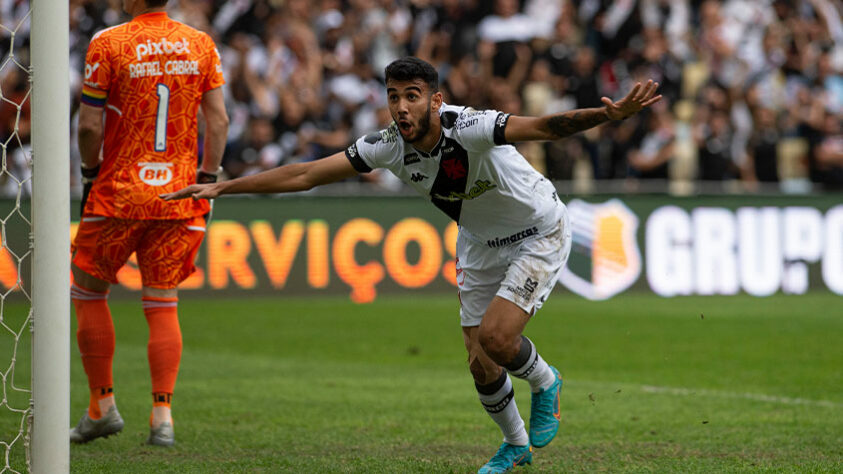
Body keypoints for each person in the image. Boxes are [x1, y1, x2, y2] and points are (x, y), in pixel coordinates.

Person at [162, 57, 659, 472]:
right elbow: (307, 173)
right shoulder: (388, 146)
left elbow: (546, 128)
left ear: (436, 100)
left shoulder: (470, 126)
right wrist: (224, 185)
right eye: (394, 95)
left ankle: (546, 381)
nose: (401, 106)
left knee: (497, 339)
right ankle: (516, 445)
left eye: (413, 95)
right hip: (479, 242)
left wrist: (607, 116)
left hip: (538, 230)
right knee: (478, 362)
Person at [71, 0, 228, 447]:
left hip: (119, 192)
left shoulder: (109, 42)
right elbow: (218, 120)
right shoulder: (200, 44)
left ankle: (101, 405)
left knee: (86, 289)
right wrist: (209, 179)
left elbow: (88, 125)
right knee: (162, 301)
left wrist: (87, 173)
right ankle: (163, 417)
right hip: (178, 196)